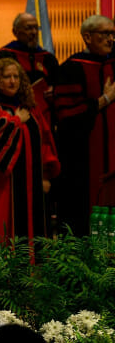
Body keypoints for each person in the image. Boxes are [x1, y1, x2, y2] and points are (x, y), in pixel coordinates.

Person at [0, 58, 59, 242]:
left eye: (16, 77)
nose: (13, 81)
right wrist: (16, 121)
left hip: (33, 186)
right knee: (3, 232)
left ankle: (35, 269)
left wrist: (44, 175)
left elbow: (45, 142)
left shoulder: (31, 110)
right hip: (1, 187)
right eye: (6, 77)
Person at [53, 14, 115, 234]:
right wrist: (104, 99)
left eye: (112, 34)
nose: (110, 39)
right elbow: (68, 116)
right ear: (87, 37)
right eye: (105, 34)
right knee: (81, 215)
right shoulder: (71, 68)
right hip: (82, 158)